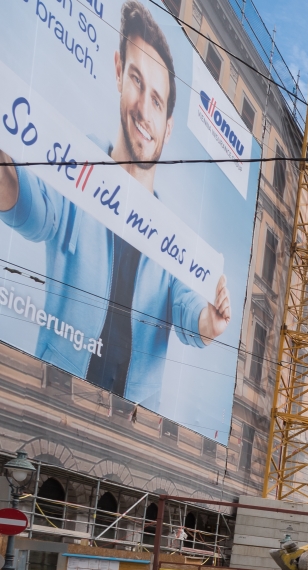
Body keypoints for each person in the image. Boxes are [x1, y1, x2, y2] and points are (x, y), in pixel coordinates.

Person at [0, 2, 233, 410]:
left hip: (130, 425)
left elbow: (185, 306)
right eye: (136, 80)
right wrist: (8, 175)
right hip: (52, 395)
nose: (144, 108)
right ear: (117, 72)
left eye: (158, 100)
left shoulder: (169, 234)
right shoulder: (80, 169)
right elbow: (38, 211)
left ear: (169, 125)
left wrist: (208, 324)